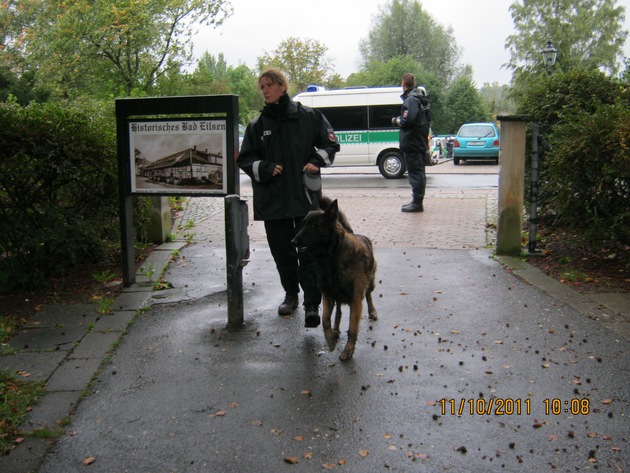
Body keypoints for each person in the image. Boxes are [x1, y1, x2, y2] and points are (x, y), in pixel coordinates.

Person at [237, 69, 340, 328]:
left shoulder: (308, 117)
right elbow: (245, 158)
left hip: (306, 202)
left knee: (308, 254)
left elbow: (331, 144)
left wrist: (317, 161)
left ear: (283, 86)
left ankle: (311, 305)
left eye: (270, 85)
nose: (265, 90)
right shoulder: (257, 125)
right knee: (283, 255)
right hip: (272, 204)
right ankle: (291, 295)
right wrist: (266, 167)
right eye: (262, 87)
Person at [392, 73, 431, 212]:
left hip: (412, 143)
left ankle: (417, 203)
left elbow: (408, 120)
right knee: (419, 173)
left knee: (415, 173)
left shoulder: (411, 100)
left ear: (403, 84)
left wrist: (397, 120)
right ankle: (417, 201)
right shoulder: (420, 99)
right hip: (419, 141)